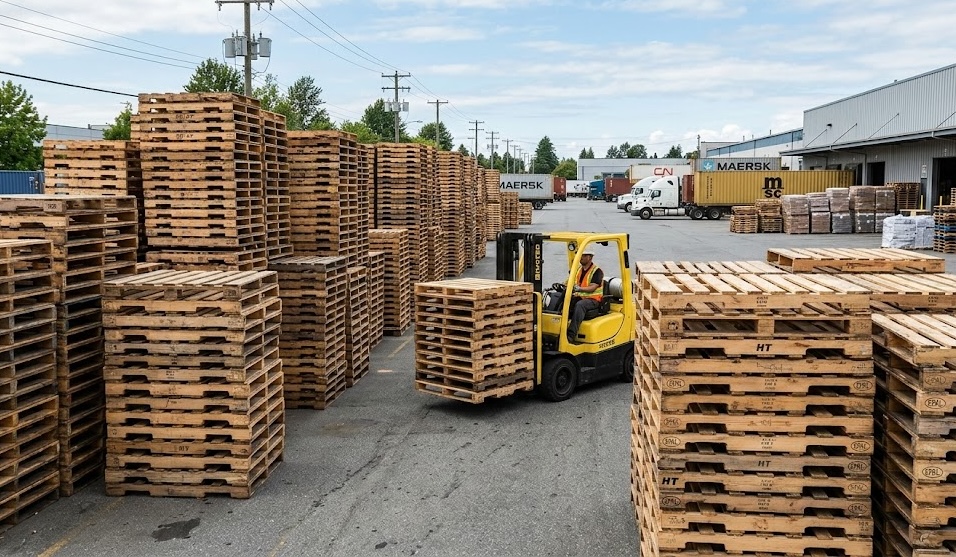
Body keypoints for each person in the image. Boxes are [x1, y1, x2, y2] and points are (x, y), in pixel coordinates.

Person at [567, 251, 603, 343]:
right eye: (580, 255)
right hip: (580, 296)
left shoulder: (597, 271)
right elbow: (570, 281)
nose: (581, 257)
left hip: (593, 300)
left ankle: (571, 335)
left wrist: (579, 289)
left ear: (590, 257)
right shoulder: (578, 270)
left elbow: (592, 288)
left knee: (580, 305)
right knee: (563, 298)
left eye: (584, 255)